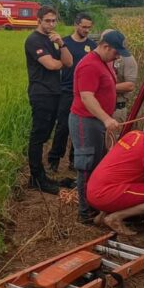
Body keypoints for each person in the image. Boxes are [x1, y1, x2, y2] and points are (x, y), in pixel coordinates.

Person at [69, 30, 127, 223]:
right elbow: (87, 97)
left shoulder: (104, 62)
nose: (117, 56)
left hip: (96, 121)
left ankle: (95, 204)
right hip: (86, 121)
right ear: (104, 46)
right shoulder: (89, 65)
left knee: (98, 164)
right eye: (115, 52)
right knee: (86, 165)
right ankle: (85, 212)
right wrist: (106, 119)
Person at [24, 6, 74, 194]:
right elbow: (52, 65)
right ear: (38, 21)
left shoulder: (52, 39)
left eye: (54, 21)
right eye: (47, 21)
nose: (51, 24)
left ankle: (40, 175)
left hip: (54, 92)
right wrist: (61, 63)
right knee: (38, 136)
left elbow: (69, 62)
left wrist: (62, 44)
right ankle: (36, 178)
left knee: (45, 135)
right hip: (41, 93)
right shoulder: (33, 40)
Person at [48, 13, 95, 172]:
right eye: (84, 27)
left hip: (84, 93)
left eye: (89, 27)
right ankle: (54, 159)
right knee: (63, 127)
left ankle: (74, 160)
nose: (86, 30)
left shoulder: (92, 46)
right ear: (76, 25)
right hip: (66, 90)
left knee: (80, 127)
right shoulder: (64, 42)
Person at [111, 51, 138, 124]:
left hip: (116, 109)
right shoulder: (99, 56)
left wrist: (104, 88)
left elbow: (130, 85)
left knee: (113, 135)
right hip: (97, 109)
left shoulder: (127, 58)